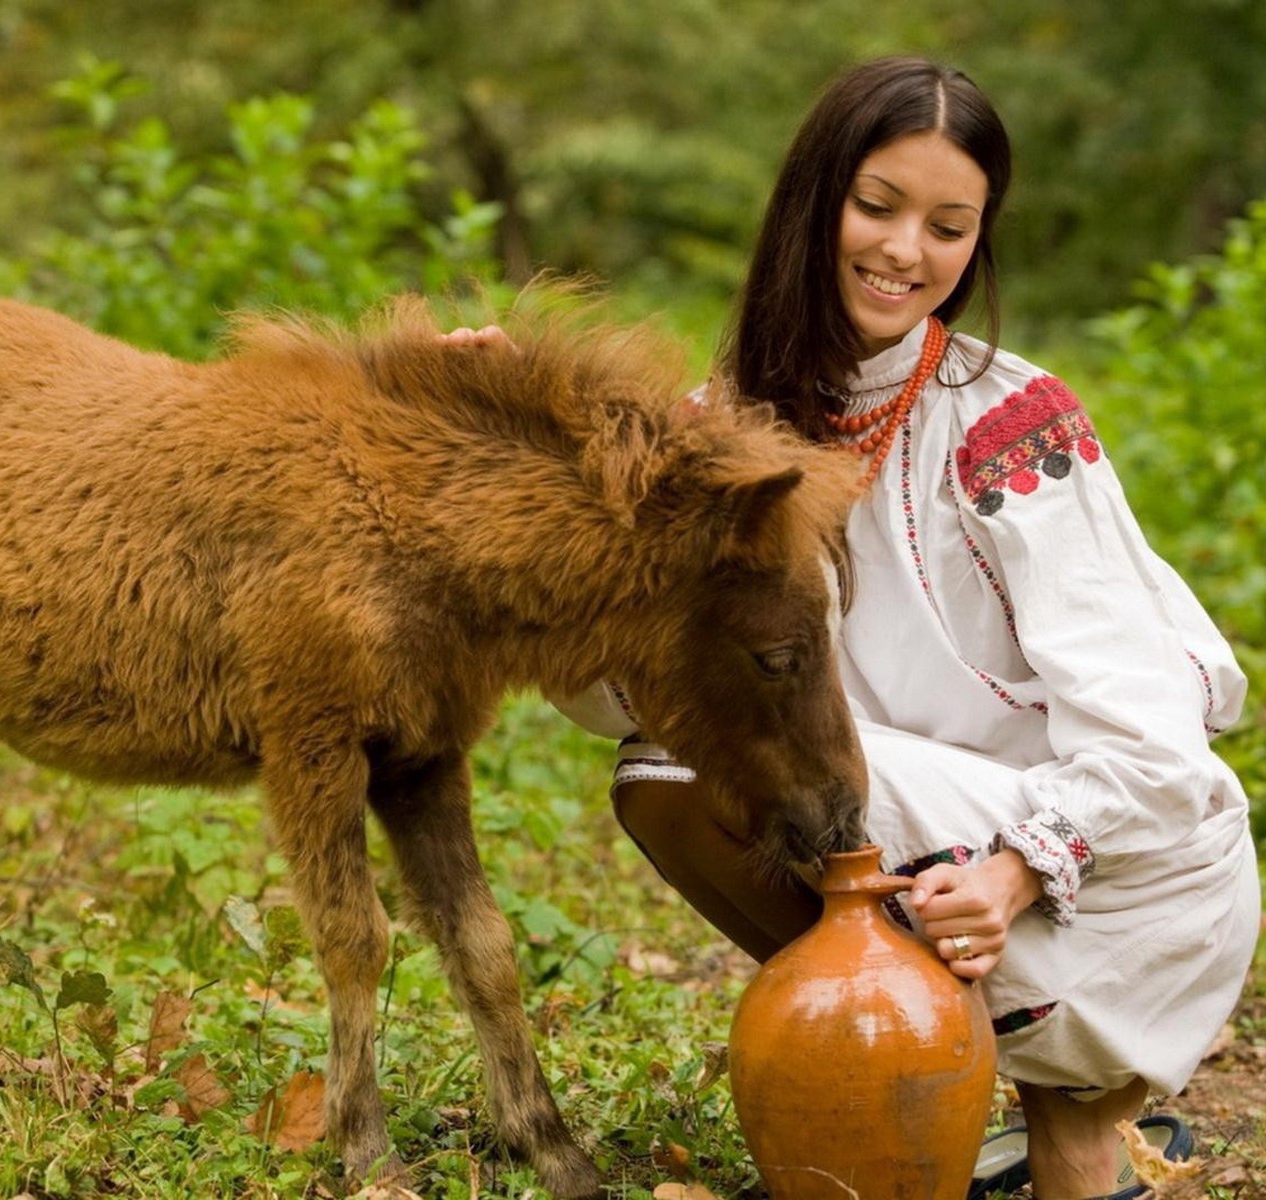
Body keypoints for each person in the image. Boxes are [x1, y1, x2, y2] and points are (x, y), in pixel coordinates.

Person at [449, 56, 1260, 1200]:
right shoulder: (725, 426)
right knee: (672, 766)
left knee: (696, 768)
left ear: (979, 240)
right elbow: (620, 695)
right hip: (918, 836)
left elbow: (1156, 749)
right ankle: (939, 1092)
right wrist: (540, 468)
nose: (902, 251)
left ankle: (1037, 1111)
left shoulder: (1009, 423)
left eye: (947, 225)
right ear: (811, 199)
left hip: (1121, 879)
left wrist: (1022, 872)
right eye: (875, 206)